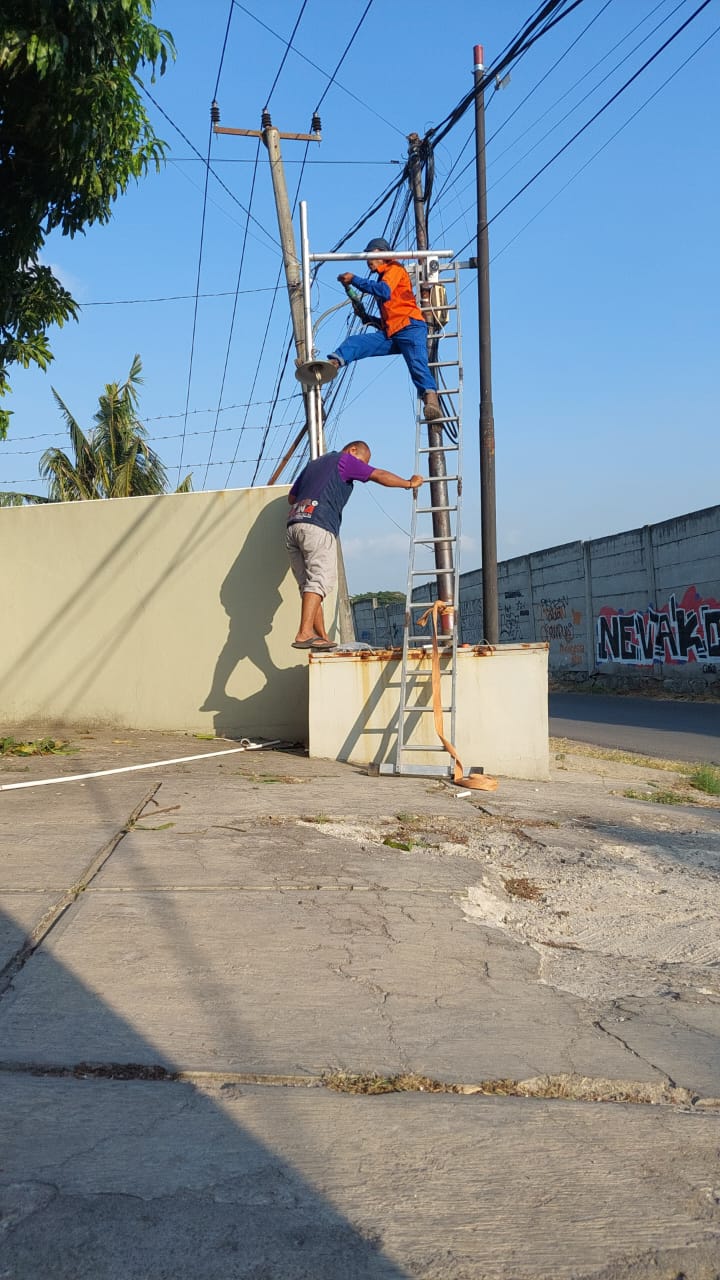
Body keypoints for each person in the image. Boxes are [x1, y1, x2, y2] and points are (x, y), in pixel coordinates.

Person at [286, 440, 423, 651]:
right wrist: (408, 483)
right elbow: (379, 475)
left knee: (309, 585)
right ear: (352, 451)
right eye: (362, 462)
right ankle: (305, 633)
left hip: (294, 526)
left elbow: (291, 497)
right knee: (320, 581)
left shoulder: (314, 464)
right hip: (318, 525)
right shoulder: (345, 460)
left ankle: (319, 636)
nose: (360, 471)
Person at [328, 237, 442, 422]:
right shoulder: (383, 276)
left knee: (416, 364)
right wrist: (367, 318)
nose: (368, 260)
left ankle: (431, 401)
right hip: (393, 331)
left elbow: (384, 291)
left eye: (370, 255)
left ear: (382, 253)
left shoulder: (394, 269)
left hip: (410, 326)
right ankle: (334, 363)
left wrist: (354, 279)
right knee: (357, 342)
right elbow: (389, 315)